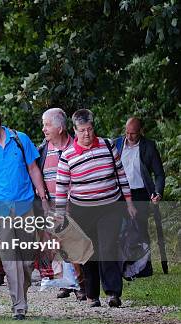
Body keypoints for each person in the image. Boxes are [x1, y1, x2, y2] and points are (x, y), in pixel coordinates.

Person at [0, 101, 48, 320]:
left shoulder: (20, 140)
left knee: (28, 259)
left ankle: (21, 292)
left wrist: (43, 196)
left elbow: (33, 169)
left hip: (25, 206)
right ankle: (19, 306)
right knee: (9, 259)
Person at [55, 109, 136, 308]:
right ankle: (92, 295)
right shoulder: (67, 156)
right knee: (88, 251)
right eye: (82, 130)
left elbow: (121, 176)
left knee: (108, 247)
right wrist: (59, 215)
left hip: (110, 206)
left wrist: (129, 202)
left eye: (90, 129)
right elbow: (61, 188)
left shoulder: (108, 146)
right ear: (74, 130)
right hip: (82, 209)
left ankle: (113, 293)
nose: (87, 134)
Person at [37, 108, 85, 300]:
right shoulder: (43, 150)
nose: (44, 129)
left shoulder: (76, 147)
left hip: (75, 203)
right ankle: (66, 283)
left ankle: (82, 284)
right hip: (51, 205)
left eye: (47, 125)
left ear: (60, 127)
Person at [113, 117, 165, 278]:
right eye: (127, 132)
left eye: (133, 134)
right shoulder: (117, 144)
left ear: (141, 132)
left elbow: (159, 174)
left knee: (140, 230)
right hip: (119, 193)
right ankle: (125, 266)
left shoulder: (148, 146)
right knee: (120, 230)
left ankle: (145, 268)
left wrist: (157, 192)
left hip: (140, 193)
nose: (129, 136)